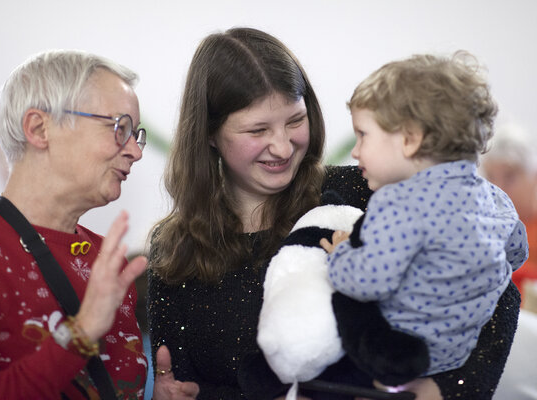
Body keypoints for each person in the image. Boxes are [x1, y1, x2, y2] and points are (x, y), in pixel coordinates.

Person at [147, 27, 523, 400]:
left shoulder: (370, 190)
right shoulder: (175, 248)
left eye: (295, 121)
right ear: (210, 134)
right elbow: (187, 383)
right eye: (257, 130)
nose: (281, 146)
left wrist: (441, 390)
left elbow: (495, 290)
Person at [0, 50, 199, 400]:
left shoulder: (110, 263)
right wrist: (80, 334)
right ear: (39, 128)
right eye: (119, 128)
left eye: (136, 134)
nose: (135, 151)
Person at [319, 52, 528, 381]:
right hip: (459, 354)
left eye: (363, 135)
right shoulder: (495, 199)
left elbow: (368, 282)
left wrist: (340, 255)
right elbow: (517, 252)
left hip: (397, 350)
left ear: (410, 139)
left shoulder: (397, 203)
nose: (356, 150)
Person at [481, 123, 537, 306]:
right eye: (490, 177)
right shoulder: (478, 230)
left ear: (534, 177)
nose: (498, 188)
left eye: (510, 177)